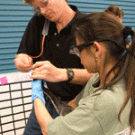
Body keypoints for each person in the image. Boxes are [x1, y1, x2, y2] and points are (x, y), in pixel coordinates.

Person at [31, 12, 135, 135]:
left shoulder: (104, 102)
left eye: (78, 49)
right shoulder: (107, 78)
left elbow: (48, 131)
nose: (78, 57)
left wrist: (36, 95)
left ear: (96, 49)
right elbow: (74, 104)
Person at [14, 0, 93, 134]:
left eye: (44, 4)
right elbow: (22, 54)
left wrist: (63, 74)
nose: (43, 11)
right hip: (47, 99)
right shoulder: (38, 22)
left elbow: (101, 75)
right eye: (37, 8)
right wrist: (21, 60)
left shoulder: (87, 26)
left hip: (77, 105)